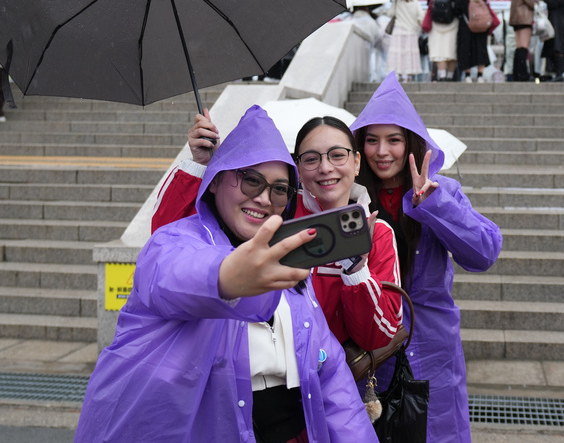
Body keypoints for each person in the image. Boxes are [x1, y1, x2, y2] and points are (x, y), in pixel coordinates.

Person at [76, 106, 378, 442]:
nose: (263, 198)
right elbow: (174, 274)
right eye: (251, 180)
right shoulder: (174, 242)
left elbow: (330, 374)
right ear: (217, 179)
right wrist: (226, 277)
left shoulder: (290, 267)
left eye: (279, 189)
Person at [150, 110, 405, 358]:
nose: (326, 168)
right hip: (258, 373)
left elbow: (377, 337)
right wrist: (204, 166)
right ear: (298, 170)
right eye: (312, 158)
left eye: (338, 155)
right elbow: (173, 245)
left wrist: (356, 269)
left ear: (357, 162)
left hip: (337, 380)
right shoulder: (276, 215)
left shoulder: (377, 234)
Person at [350, 73, 502, 443]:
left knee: (436, 432)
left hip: (431, 345)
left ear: (411, 143)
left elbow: (483, 252)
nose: (382, 151)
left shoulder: (440, 189)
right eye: (371, 140)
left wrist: (434, 205)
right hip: (369, 348)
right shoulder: (348, 196)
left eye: (394, 140)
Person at [386, 0, 425, 82]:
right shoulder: (415, 3)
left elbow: (390, 13)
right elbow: (421, 17)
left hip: (398, 30)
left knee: (399, 53)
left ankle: (399, 74)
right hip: (411, 31)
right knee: (409, 53)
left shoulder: (397, 1)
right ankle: (409, 75)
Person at [454, 0, 491, 82]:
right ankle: (480, 75)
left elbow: (457, 11)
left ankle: (468, 75)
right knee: (481, 49)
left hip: (466, 27)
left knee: (466, 50)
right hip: (482, 27)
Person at [427, 0, 459, 81]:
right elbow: (459, 10)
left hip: (436, 27)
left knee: (440, 53)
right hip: (453, 26)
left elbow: (429, 6)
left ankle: (442, 76)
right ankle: (450, 76)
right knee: (451, 53)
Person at [509, 0, 537, 81]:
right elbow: (532, 3)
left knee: (519, 46)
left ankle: (516, 72)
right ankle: (523, 73)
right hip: (524, 19)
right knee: (524, 47)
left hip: (515, 19)